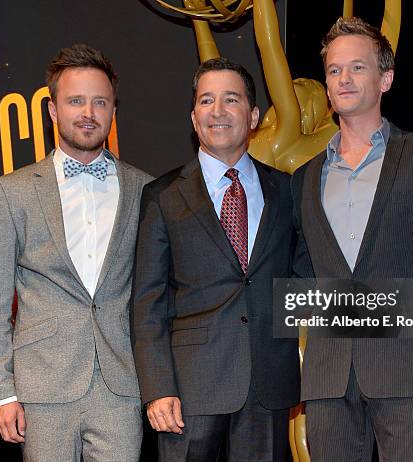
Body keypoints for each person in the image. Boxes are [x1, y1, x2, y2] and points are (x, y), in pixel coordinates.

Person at [291, 17, 413, 461]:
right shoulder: (303, 179)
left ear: (386, 78)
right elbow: (299, 276)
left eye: (357, 67)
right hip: (328, 379)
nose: (344, 79)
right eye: (334, 70)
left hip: (412, 369)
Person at [0, 44, 152, 461]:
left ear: (113, 111)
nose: (88, 112)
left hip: (121, 385)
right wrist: (3, 393)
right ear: (53, 110)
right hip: (42, 388)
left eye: (99, 101)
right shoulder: (11, 192)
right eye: (75, 101)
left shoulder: (146, 190)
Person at [132, 57, 300, 461]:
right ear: (193, 117)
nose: (218, 111)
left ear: (254, 115)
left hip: (268, 387)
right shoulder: (162, 195)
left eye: (231, 99)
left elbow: (303, 277)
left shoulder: (287, 191)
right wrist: (158, 388)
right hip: (190, 391)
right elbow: (147, 303)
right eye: (206, 101)